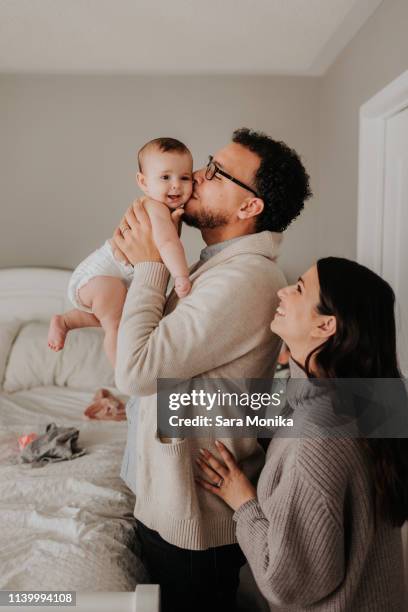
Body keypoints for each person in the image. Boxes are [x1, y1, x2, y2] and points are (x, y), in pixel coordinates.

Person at [112, 128, 312, 612]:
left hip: (193, 520)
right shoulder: (216, 265)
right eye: (208, 163)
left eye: (218, 173)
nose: (196, 177)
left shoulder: (247, 277)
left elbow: (137, 368)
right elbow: (169, 363)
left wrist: (149, 265)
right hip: (169, 500)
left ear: (250, 207)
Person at [197, 257, 408, 611]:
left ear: (326, 325)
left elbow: (286, 583)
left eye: (298, 288)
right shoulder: (374, 401)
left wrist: (243, 502)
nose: (281, 291)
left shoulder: (316, 435)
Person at [47, 137, 192, 365]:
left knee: (117, 314)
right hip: (101, 274)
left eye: (185, 178)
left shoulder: (166, 209)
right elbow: (167, 244)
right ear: (143, 182)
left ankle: (65, 322)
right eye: (165, 177)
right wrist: (181, 275)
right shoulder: (154, 207)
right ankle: (123, 372)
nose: (176, 185)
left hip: (110, 278)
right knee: (115, 325)